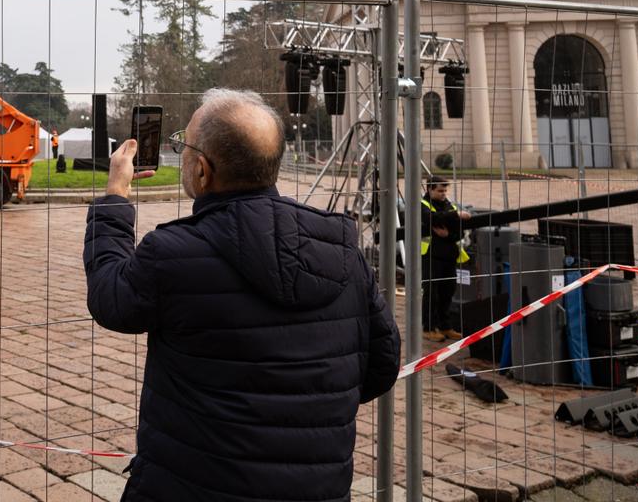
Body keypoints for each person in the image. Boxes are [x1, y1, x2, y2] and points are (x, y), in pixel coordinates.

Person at [84, 88, 400, 502]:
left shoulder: (173, 252)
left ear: (202, 170)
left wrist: (115, 198)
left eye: (182, 145)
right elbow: (382, 362)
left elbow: (111, 299)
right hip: (316, 488)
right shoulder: (340, 245)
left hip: (192, 484)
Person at [418, 177, 471, 343]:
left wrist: (448, 234)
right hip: (431, 256)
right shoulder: (422, 205)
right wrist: (454, 216)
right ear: (430, 189)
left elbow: (460, 231)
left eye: (445, 191)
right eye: (440, 190)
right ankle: (428, 328)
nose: (443, 194)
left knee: (447, 292)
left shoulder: (450, 206)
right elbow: (433, 219)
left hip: (449, 256)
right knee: (431, 293)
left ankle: (445, 326)